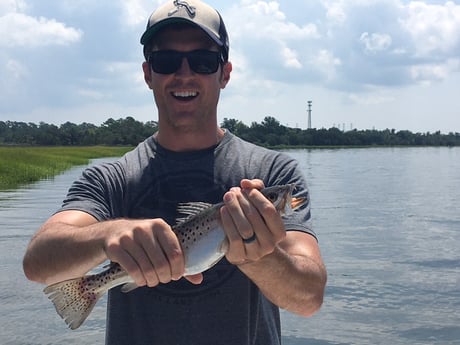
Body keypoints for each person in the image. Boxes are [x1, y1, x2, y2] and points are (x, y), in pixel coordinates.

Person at [23, 0, 327, 344]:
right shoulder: (110, 179)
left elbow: (309, 298)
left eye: (202, 61)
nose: (184, 74)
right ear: (148, 73)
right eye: (166, 61)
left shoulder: (271, 170)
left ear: (224, 73)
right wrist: (107, 236)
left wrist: (262, 258)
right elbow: (38, 264)